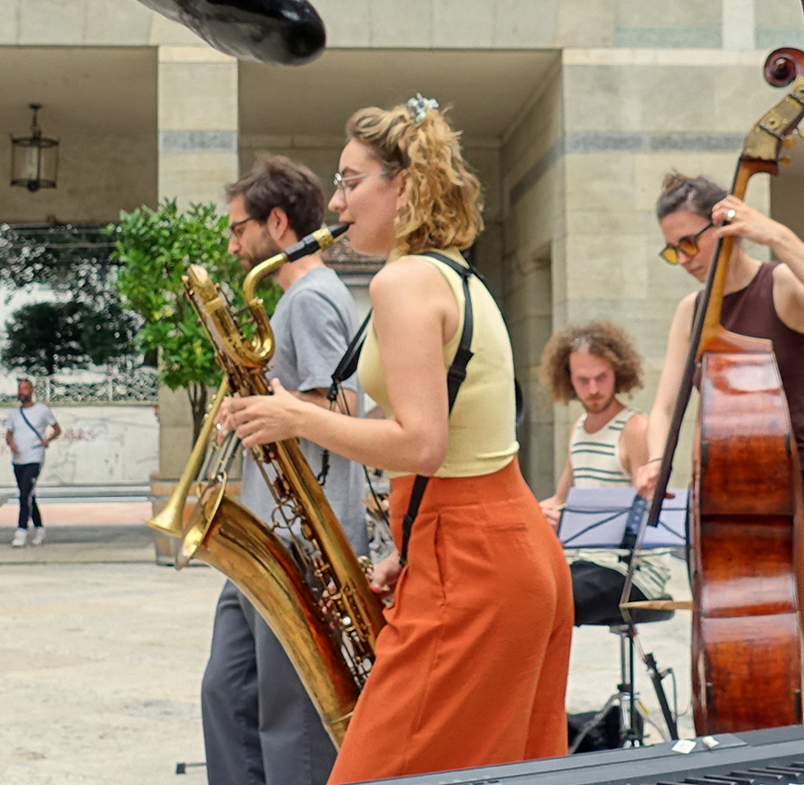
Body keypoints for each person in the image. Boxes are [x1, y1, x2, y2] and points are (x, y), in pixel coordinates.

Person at [222, 99, 571, 783]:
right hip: (497, 548)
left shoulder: (403, 281)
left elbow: (421, 445)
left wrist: (295, 417)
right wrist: (409, 549)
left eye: (350, 181)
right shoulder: (451, 271)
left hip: (471, 561)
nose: (335, 201)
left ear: (404, 185)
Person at [636, 171, 804, 721]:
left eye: (691, 242)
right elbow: (664, 406)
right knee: (728, 651)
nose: (684, 259)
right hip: (719, 507)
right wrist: (657, 458)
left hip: (800, 495)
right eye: (673, 250)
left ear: (725, 226)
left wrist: (776, 235)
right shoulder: (692, 311)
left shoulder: (780, 285)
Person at [200, 155, 367, 785]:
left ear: (276, 223)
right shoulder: (297, 299)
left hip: (300, 535)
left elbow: (347, 407)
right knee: (227, 692)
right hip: (270, 530)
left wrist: (276, 406)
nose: (232, 244)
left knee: (289, 714)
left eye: (238, 228)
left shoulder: (311, 298)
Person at [537, 323, 670, 625]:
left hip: (631, 571)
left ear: (618, 373)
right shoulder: (578, 429)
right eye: (583, 380)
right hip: (585, 563)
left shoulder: (634, 428)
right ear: (568, 379)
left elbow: (650, 511)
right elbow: (560, 500)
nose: (594, 389)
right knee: (518, 589)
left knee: (552, 602)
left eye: (602, 377)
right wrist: (538, 514)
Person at [5, 378, 60, 547]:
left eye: (25, 389)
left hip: (34, 457)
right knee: (28, 495)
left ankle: (21, 531)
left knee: (24, 494)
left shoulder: (42, 410)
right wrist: (11, 444)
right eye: (20, 389)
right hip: (18, 459)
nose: (22, 392)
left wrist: (47, 440)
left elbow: (57, 429)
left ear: (32, 391)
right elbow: (8, 434)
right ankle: (39, 528)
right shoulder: (14, 413)